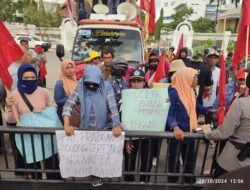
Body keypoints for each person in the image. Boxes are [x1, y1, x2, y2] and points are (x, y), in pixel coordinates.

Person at [62, 65, 122, 187]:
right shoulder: (80, 86)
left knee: (100, 153)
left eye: (94, 84)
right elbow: (68, 105)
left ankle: (98, 175)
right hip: (86, 127)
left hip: (102, 127)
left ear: (100, 80)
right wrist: (66, 125)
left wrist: (116, 124)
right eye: (88, 83)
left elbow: (113, 107)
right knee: (88, 153)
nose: (91, 86)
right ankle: (89, 173)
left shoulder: (107, 87)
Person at [5, 64, 61, 179]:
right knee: (33, 164)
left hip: (45, 133)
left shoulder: (43, 92)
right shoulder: (14, 95)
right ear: (20, 77)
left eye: (32, 77)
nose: (30, 80)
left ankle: (54, 182)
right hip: (27, 135)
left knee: (51, 161)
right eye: (26, 78)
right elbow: (11, 120)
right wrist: (9, 106)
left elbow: (52, 108)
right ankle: (37, 182)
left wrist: (43, 109)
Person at [166, 67, 214, 183]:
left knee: (189, 158)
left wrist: (208, 110)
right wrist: (175, 127)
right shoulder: (172, 92)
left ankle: (189, 180)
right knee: (174, 158)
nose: (197, 79)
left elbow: (195, 106)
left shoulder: (191, 90)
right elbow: (168, 112)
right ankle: (173, 181)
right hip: (177, 134)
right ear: (185, 78)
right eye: (195, 77)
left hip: (190, 132)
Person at [202, 70, 250, 178]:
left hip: (234, 160)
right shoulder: (240, 98)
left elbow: (224, 132)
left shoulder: (241, 103)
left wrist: (208, 133)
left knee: (221, 183)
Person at [124, 69, 153, 182]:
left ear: (144, 83)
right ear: (130, 83)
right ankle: (129, 181)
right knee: (129, 160)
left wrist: (165, 102)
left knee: (147, 159)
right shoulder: (125, 97)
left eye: (139, 81)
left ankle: (144, 181)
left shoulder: (153, 96)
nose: (136, 84)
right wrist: (126, 138)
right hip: (131, 135)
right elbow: (123, 118)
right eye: (133, 81)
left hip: (149, 134)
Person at [54, 59, 77, 123]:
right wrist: (74, 99)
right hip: (63, 114)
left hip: (76, 113)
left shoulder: (77, 81)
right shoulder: (60, 83)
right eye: (67, 68)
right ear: (63, 69)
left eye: (72, 67)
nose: (70, 70)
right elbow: (58, 101)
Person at [203, 50, 220, 125]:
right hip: (201, 100)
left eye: (215, 58)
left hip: (212, 101)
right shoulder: (203, 69)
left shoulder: (219, 71)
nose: (213, 60)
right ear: (207, 59)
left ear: (217, 60)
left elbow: (219, 88)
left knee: (209, 122)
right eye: (211, 57)